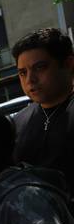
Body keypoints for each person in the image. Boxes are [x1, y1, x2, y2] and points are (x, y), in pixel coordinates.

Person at [13, 28, 74, 190]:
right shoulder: (17, 123)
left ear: (68, 64)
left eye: (39, 68)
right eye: (22, 73)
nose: (30, 79)